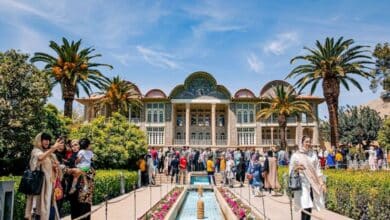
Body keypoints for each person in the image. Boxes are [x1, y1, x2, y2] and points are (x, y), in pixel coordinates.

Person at [24, 132, 64, 220]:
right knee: (37, 210)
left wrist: (55, 167)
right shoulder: (36, 151)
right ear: (40, 140)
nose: (47, 142)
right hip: (39, 187)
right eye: (45, 139)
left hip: (50, 187)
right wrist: (53, 148)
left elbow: (54, 170)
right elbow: (40, 158)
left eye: (48, 140)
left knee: (47, 210)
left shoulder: (51, 154)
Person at [289, 136, 326, 220]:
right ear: (302, 142)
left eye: (309, 142)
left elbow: (318, 169)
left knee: (309, 205)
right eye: (306, 142)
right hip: (302, 184)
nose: (308, 144)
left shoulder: (313, 155)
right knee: (305, 205)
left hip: (313, 184)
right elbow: (291, 170)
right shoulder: (296, 155)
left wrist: (322, 183)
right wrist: (297, 168)